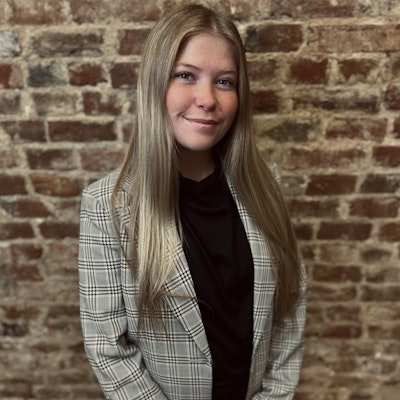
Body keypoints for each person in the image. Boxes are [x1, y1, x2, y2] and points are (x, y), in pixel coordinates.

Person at [78, 3, 307, 400]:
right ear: (155, 83)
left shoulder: (265, 185)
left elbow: (289, 306)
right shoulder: (107, 205)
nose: (207, 99)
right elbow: (109, 349)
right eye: (186, 75)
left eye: (224, 82)